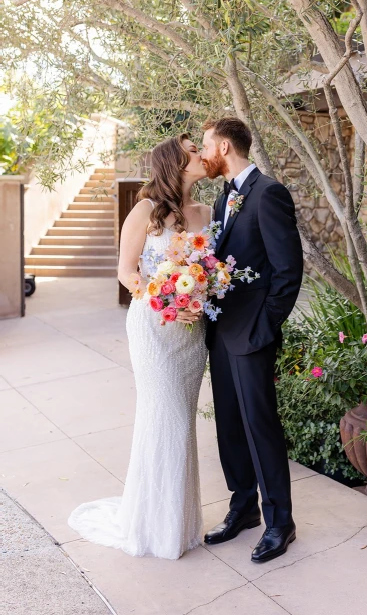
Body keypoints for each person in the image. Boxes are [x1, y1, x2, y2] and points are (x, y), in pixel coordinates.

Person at [68, 135, 210, 560]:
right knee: (161, 416)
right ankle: (152, 527)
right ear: (174, 161)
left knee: (181, 421)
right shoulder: (145, 211)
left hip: (191, 336)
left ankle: (178, 523)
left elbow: (210, 269)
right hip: (152, 327)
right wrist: (169, 300)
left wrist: (202, 294)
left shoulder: (205, 213)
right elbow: (126, 273)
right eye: (192, 149)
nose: (201, 154)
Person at [200, 117, 303, 563]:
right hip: (221, 332)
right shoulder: (224, 197)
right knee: (229, 427)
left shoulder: (268, 193)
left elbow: (287, 272)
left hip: (252, 335)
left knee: (261, 427)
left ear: (224, 146)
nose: (202, 155)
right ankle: (243, 508)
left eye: (205, 146)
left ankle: (280, 522)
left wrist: (265, 329)